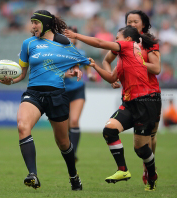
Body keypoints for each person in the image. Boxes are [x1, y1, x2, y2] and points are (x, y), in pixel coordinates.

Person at [0, 10, 91, 191]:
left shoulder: (63, 42)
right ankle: (33, 174)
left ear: (46, 24)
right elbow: (22, 74)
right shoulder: (28, 44)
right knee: (23, 126)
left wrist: (77, 67)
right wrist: (11, 81)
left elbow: (75, 56)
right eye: (32, 23)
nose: (32, 26)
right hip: (34, 94)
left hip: (57, 95)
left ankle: (74, 176)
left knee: (63, 143)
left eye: (36, 23)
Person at [64, 25, 159, 191]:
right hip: (130, 103)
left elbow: (100, 43)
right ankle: (122, 170)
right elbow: (112, 77)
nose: (115, 40)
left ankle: (152, 174)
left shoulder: (129, 46)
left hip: (146, 102)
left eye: (117, 37)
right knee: (109, 130)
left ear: (128, 39)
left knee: (141, 149)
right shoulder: (124, 57)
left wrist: (76, 36)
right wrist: (95, 66)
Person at [102, 10, 161, 185]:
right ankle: (141, 168)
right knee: (118, 133)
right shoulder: (124, 41)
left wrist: (138, 63)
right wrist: (111, 78)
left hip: (150, 95)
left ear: (143, 24)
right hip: (130, 95)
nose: (132, 24)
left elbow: (157, 69)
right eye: (129, 21)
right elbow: (107, 60)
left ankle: (148, 168)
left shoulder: (149, 42)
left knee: (150, 137)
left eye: (135, 21)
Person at [65, 26, 96, 162]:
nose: (69, 39)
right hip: (62, 91)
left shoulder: (81, 53)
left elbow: (87, 64)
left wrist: (90, 75)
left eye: (71, 36)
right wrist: (64, 74)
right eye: (66, 36)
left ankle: (73, 153)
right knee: (65, 125)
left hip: (77, 89)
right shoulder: (58, 53)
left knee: (74, 120)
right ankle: (67, 149)